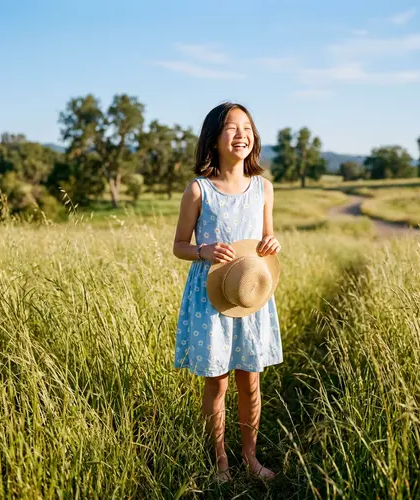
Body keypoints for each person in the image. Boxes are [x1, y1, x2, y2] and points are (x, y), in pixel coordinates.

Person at [172, 102, 282, 482]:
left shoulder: (263, 189)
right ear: (214, 139)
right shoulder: (199, 190)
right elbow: (179, 246)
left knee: (250, 381)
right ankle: (220, 460)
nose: (242, 135)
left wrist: (272, 244)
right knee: (216, 382)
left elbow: (266, 237)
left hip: (250, 294)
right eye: (233, 129)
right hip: (211, 297)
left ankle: (250, 458)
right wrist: (202, 251)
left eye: (247, 128)